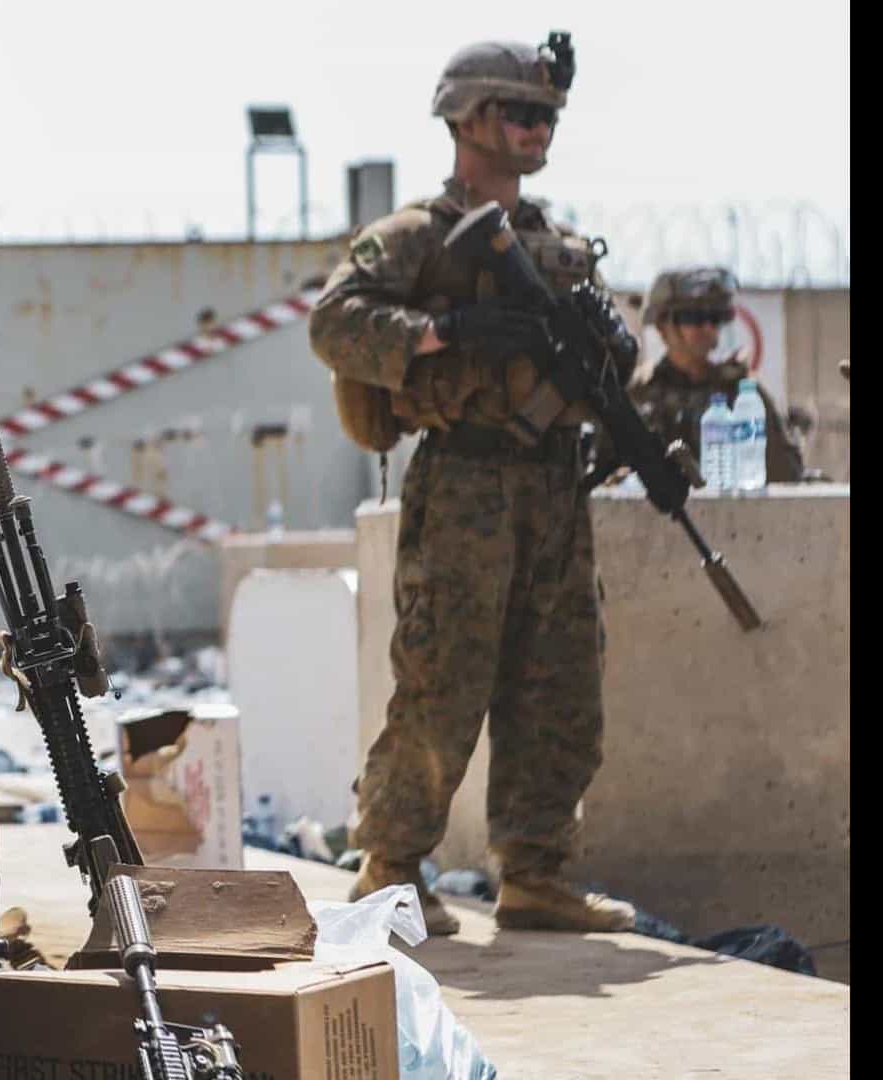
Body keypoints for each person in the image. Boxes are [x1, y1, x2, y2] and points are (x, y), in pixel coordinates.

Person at [309, 32, 636, 936]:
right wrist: (446, 332)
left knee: (561, 684)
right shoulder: (418, 235)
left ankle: (535, 872)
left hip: (557, 487)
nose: (537, 129)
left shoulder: (559, 245)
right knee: (441, 680)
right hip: (466, 482)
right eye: (520, 112)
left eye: (546, 115)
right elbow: (334, 322)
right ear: (467, 117)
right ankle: (390, 868)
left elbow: (615, 366)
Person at [628, 267, 805, 483]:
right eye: (694, 318)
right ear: (663, 326)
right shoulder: (638, 392)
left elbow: (785, 474)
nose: (708, 328)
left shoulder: (741, 394)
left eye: (716, 318)